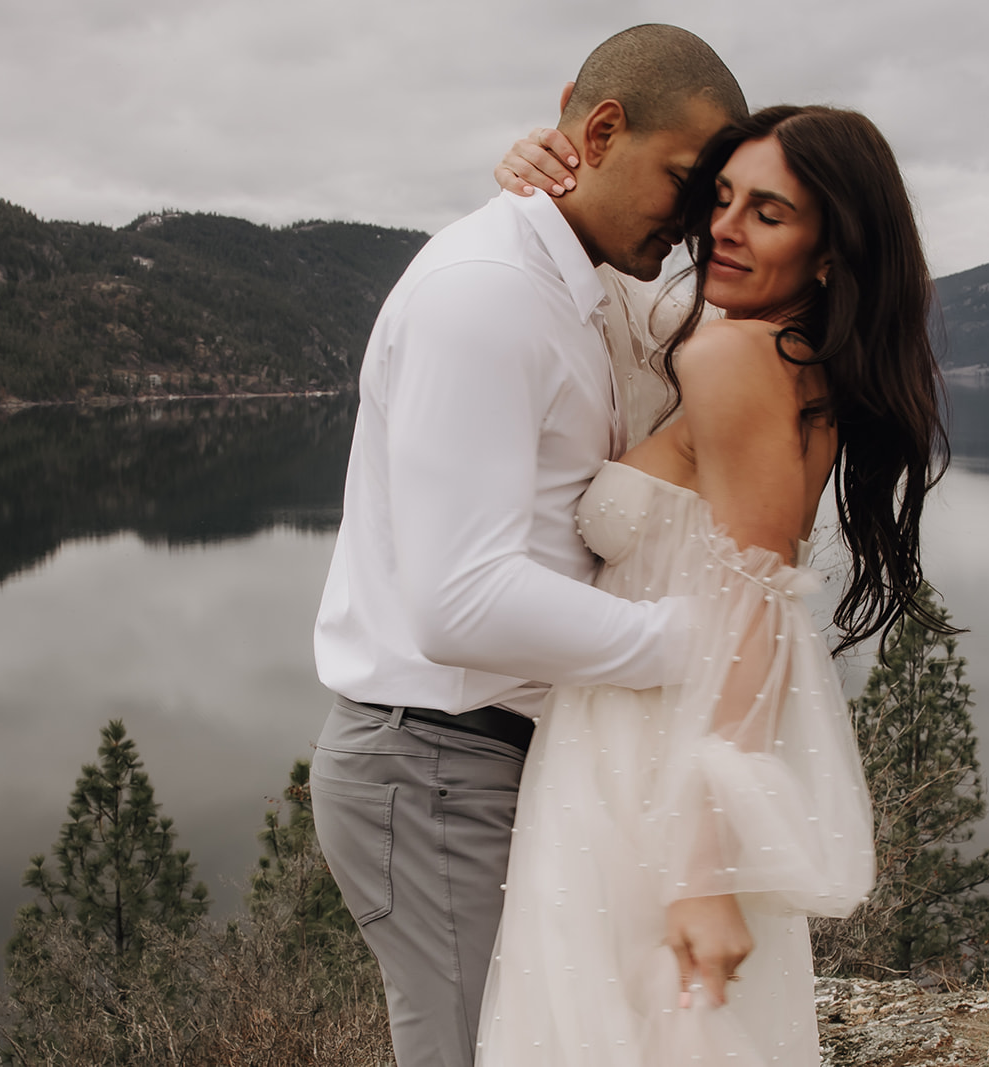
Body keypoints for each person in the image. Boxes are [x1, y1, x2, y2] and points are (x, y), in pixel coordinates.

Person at [308, 26, 747, 1067]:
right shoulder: (487, 292)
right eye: (686, 184)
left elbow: (720, 315)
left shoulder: (589, 286)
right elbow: (461, 602)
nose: (694, 224)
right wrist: (698, 644)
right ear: (599, 130)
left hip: (493, 759)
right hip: (434, 767)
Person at [476, 105, 947, 1065]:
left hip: (640, 765)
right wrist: (538, 175)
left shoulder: (734, 356)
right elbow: (610, 291)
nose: (725, 226)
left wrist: (702, 868)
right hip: (649, 751)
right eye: (720, 197)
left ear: (830, 253)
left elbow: (760, 611)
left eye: (768, 213)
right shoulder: (779, 354)